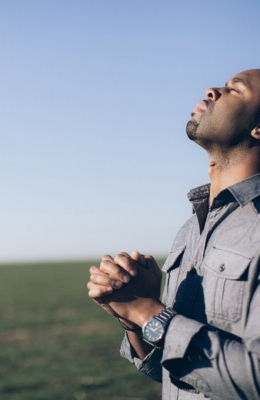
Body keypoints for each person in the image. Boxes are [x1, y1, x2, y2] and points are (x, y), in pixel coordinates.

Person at [87, 69, 260, 399]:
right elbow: (173, 373)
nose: (212, 90)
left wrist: (147, 311)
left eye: (235, 90)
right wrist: (131, 317)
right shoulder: (190, 229)